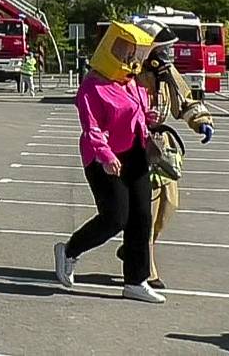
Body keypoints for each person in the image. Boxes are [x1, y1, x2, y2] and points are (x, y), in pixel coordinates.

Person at [54, 21, 165, 304]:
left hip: (134, 152)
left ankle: (136, 281)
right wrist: (105, 156)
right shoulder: (93, 84)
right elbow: (91, 128)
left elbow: (137, 114)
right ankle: (69, 250)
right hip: (102, 156)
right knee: (115, 217)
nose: (131, 59)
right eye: (125, 52)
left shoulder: (132, 82)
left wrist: (149, 120)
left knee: (142, 217)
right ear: (110, 50)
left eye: (133, 53)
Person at [126, 18, 214, 289]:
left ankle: (136, 250)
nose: (168, 54)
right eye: (163, 48)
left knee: (169, 204)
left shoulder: (167, 72)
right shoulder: (127, 72)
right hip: (134, 142)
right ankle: (147, 264)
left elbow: (184, 99)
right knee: (147, 209)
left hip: (161, 144)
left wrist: (201, 121)